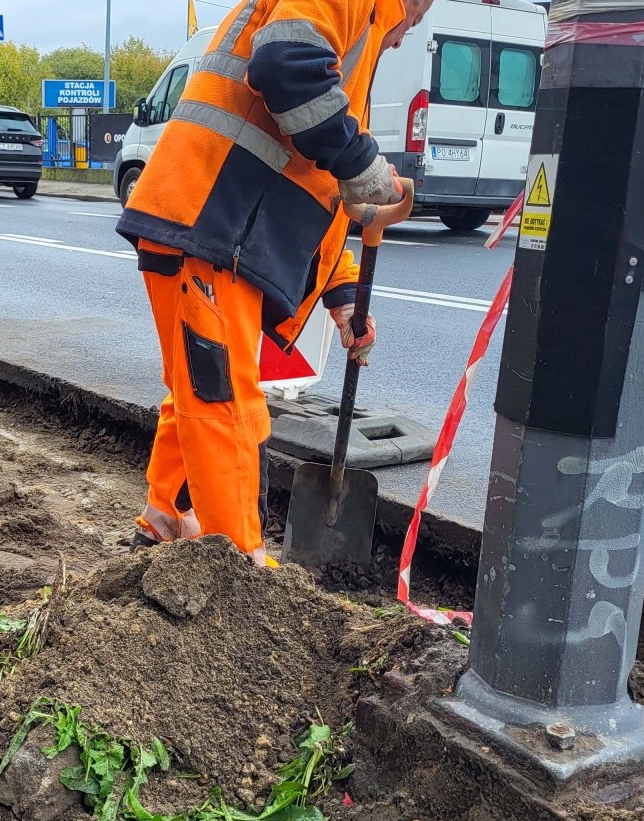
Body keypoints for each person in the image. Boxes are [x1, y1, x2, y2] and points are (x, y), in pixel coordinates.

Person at [118, 0, 433, 565]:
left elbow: (320, 188)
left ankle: (164, 518)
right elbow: (285, 65)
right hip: (210, 221)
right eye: (415, 22)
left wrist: (342, 296)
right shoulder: (354, 8)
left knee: (197, 391)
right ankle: (241, 568)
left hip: (208, 223)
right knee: (224, 404)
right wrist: (363, 161)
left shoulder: (352, 41)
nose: (405, 39)